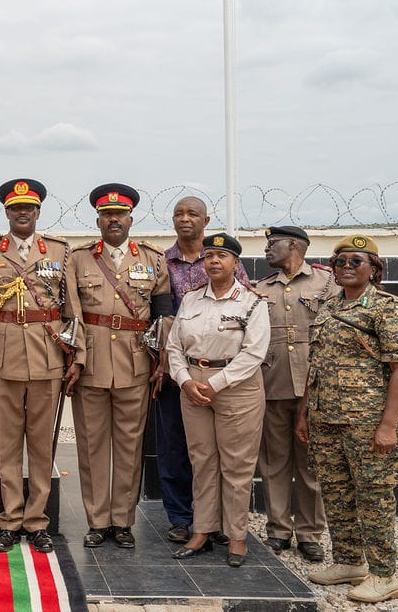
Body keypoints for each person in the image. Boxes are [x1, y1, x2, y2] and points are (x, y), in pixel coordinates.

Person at [0, 179, 84, 554]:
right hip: (3, 363)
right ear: (7, 212)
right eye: (15, 208)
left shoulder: (60, 252)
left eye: (28, 208)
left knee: (41, 446)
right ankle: (10, 520)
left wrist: (78, 357)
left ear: (38, 212)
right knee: (7, 446)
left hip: (47, 359)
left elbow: (72, 313)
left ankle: (36, 521)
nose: (22, 213)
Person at [298, 235, 398, 604]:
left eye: (356, 261)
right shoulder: (328, 307)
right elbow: (316, 365)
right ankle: (349, 561)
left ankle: (384, 575)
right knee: (336, 492)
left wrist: (388, 426)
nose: (345, 267)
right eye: (339, 261)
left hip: (367, 421)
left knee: (373, 497)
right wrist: (304, 413)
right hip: (325, 418)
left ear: (374, 268)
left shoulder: (386, 308)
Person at [70, 183, 173, 549]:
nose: (113, 219)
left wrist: (160, 361)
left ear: (131, 218)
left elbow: (163, 316)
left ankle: (123, 521)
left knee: (130, 446)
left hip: (135, 362)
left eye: (120, 214)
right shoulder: (77, 259)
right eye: (107, 214)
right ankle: (98, 521)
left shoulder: (153, 259)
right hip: (92, 363)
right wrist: (76, 358)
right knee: (92, 445)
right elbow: (72, 315)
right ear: (98, 220)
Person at [167, 233, 270, 567]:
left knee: (236, 466)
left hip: (235, 387)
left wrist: (216, 383)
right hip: (193, 386)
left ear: (235, 263)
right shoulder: (191, 300)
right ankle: (203, 530)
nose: (213, 261)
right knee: (202, 462)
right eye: (209, 255)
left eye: (222, 256)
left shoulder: (252, 302)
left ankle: (236, 536)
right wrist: (184, 380)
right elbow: (173, 346)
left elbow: (254, 352)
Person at [159, 196, 251, 544]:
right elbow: (155, 315)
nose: (185, 219)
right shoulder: (161, 262)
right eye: (179, 213)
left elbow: (245, 308)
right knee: (174, 447)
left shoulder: (225, 258)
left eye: (192, 214)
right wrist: (167, 368)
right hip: (175, 370)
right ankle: (181, 517)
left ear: (206, 220)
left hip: (222, 375)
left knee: (222, 451)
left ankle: (218, 521)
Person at [255, 226, 333, 562]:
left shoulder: (326, 282)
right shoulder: (260, 288)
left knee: (310, 465)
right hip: (273, 385)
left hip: (313, 387)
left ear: (294, 245)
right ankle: (278, 530)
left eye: (273, 244)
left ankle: (310, 535)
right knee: (274, 462)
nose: (267, 249)